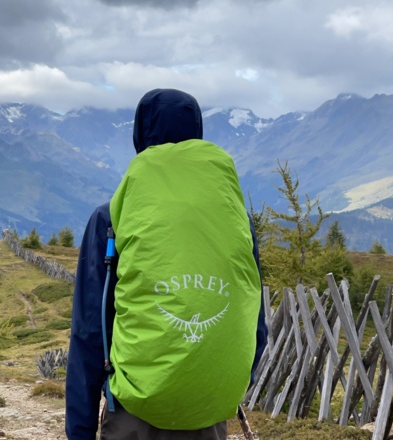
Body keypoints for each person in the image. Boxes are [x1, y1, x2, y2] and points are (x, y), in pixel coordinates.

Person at [65, 88, 268, 440]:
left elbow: (89, 330)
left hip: (135, 409)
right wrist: (228, 384)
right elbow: (254, 318)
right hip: (208, 411)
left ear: (139, 136)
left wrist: (80, 431)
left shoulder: (112, 216)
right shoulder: (236, 219)